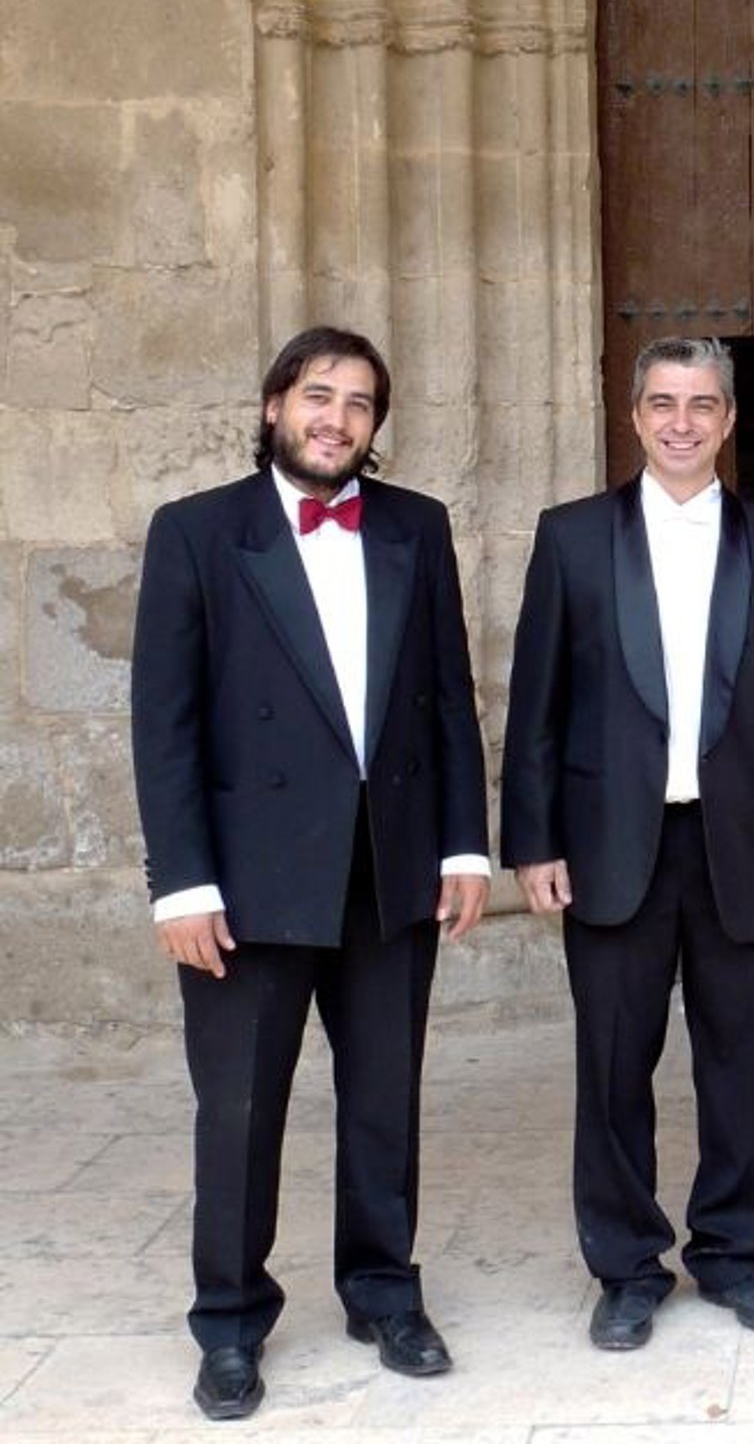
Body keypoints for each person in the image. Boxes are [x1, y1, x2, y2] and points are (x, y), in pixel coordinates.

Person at [130, 326, 491, 1424]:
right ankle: (230, 1320)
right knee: (240, 1112)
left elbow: (448, 694)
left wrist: (463, 845)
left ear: (375, 425)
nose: (337, 419)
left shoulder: (418, 526)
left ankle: (384, 1292)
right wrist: (181, 882)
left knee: (385, 1099)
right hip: (249, 882)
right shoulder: (196, 531)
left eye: (360, 403)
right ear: (276, 404)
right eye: (319, 395)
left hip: (389, 864)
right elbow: (164, 723)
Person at [500, 336, 754, 1350]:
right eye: (662, 403)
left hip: (742, 845)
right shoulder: (570, 538)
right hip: (610, 844)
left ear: (728, 420)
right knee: (613, 1064)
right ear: (635, 415)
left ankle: (736, 1251)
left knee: (745, 1062)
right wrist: (533, 842)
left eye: (701, 405)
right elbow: (537, 704)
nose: (681, 422)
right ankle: (626, 1265)